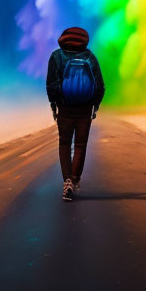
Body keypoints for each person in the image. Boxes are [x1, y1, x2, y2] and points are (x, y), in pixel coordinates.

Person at [46, 26, 105, 202]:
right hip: (85, 109)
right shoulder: (90, 57)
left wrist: (54, 104)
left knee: (64, 143)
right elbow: (100, 86)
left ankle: (67, 182)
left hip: (64, 108)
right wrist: (95, 105)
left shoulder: (57, 56)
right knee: (80, 145)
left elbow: (52, 85)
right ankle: (76, 179)